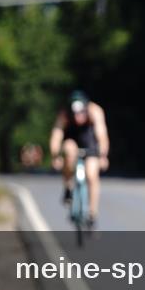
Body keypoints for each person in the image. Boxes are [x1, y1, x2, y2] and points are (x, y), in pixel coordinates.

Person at [50, 91, 109, 228]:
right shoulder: (64, 114)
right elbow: (56, 135)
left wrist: (103, 156)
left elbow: (102, 136)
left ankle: (92, 213)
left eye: (81, 113)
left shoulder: (95, 111)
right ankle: (68, 187)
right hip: (72, 139)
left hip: (90, 141)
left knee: (91, 175)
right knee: (70, 151)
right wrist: (55, 156)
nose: (78, 117)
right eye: (75, 114)